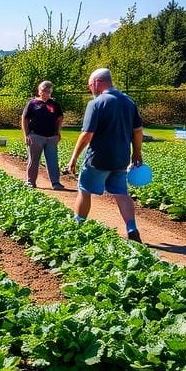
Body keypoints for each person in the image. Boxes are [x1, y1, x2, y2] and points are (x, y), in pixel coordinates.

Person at [66, 68, 144, 242]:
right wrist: (137, 153)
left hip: (98, 159)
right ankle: (132, 229)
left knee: (84, 190)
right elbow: (138, 131)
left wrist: (74, 157)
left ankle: (78, 227)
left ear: (96, 83)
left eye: (89, 86)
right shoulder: (129, 102)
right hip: (121, 159)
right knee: (121, 193)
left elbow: (87, 135)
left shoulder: (96, 103)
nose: (90, 90)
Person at [21, 80, 65, 189]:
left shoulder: (54, 104)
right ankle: (30, 182)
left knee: (53, 160)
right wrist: (26, 135)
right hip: (35, 136)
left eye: (48, 91)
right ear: (39, 91)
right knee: (33, 160)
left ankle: (56, 183)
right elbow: (25, 118)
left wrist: (58, 132)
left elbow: (60, 118)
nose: (46, 93)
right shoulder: (32, 103)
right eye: (43, 91)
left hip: (51, 137)